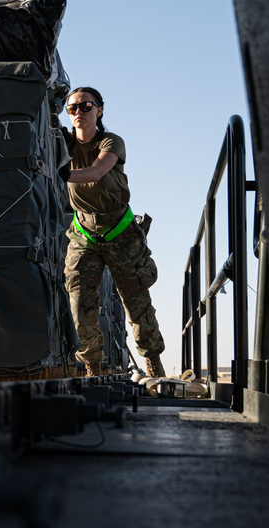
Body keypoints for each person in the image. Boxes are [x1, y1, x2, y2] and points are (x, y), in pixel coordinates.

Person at [62, 86, 166, 377]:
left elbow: (96, 172)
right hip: (84, 232)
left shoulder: (111, 141)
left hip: (119, 230)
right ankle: (92, 366)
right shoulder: (63, 142)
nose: (79, 112)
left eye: (85, 106)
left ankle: (153, 362)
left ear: (100, 110)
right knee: (81, 302)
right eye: (72, 108)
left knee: (136, 302)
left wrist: (63, 173)